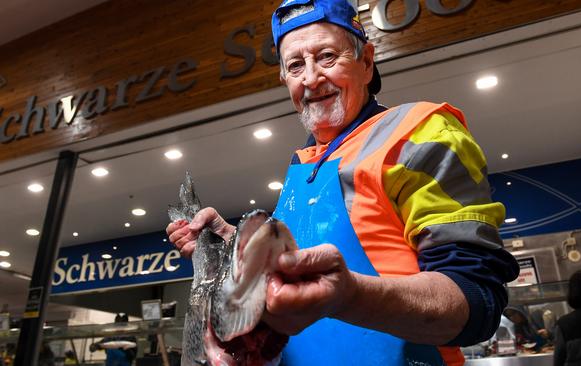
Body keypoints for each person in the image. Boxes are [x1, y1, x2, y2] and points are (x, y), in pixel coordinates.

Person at [166, 0, 519, 364]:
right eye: (295, 65)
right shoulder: (302, 164)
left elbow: (478, 301)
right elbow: (294, 275)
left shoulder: (420, 133)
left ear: (366, 62)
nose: (311, 78)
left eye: (327, 57)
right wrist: (230, 247)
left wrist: (349, 296)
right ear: (284, 79)